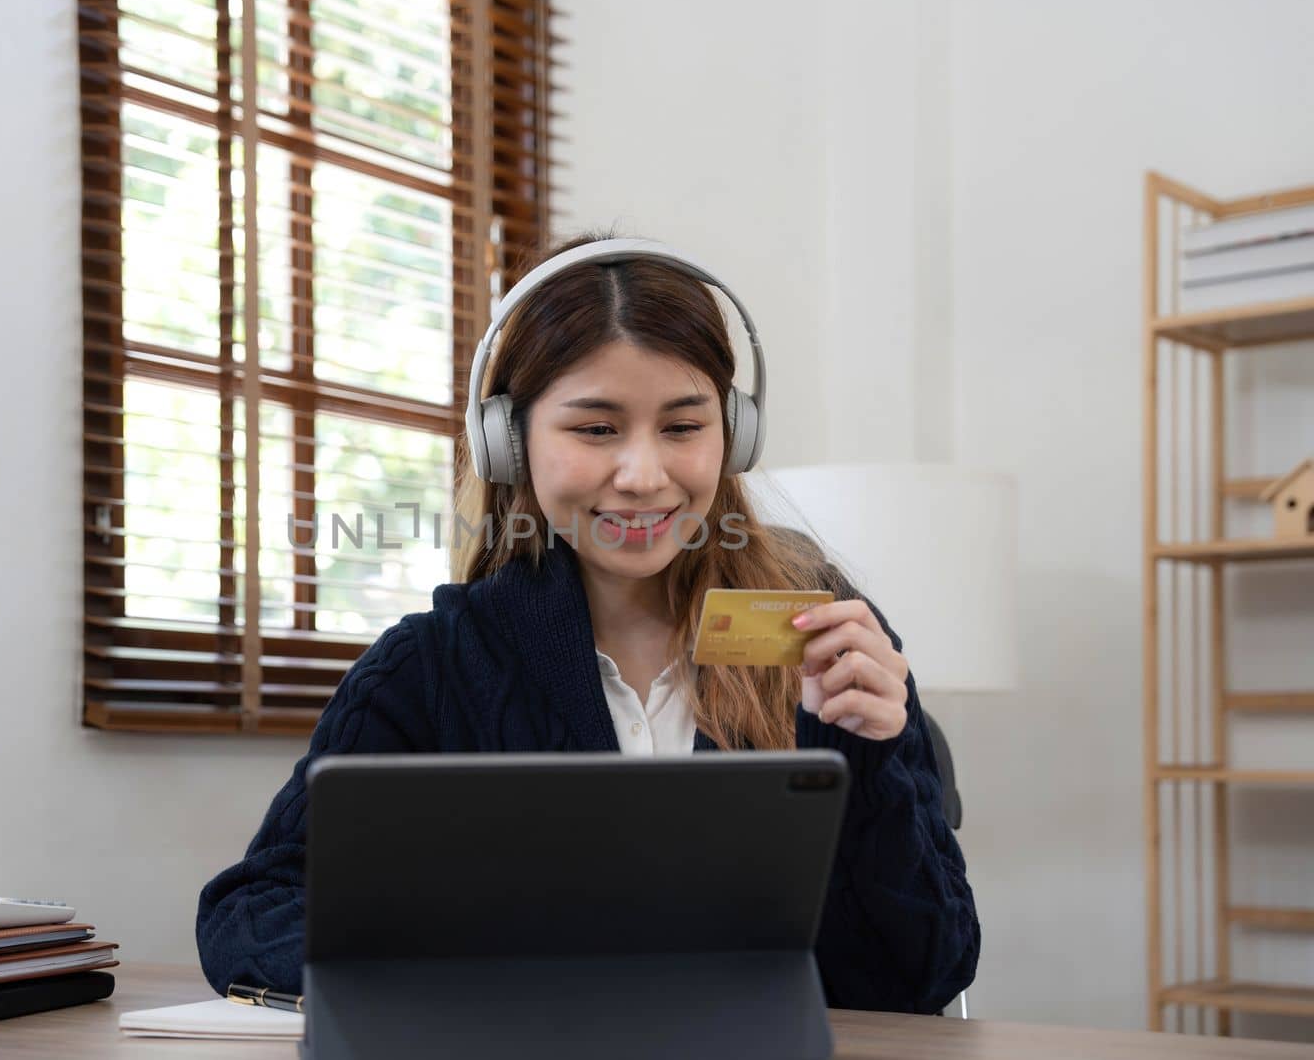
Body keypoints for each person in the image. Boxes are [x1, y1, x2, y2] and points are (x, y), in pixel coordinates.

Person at [196, 231, 980, 1015]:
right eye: (596, 428)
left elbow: (920, 976)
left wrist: (865, 755)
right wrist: (488, 964)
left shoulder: (825, 633)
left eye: (682, 427)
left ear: (733, 435)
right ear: (508, 442)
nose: (643, 476)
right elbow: (248, 915)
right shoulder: (428, 667)